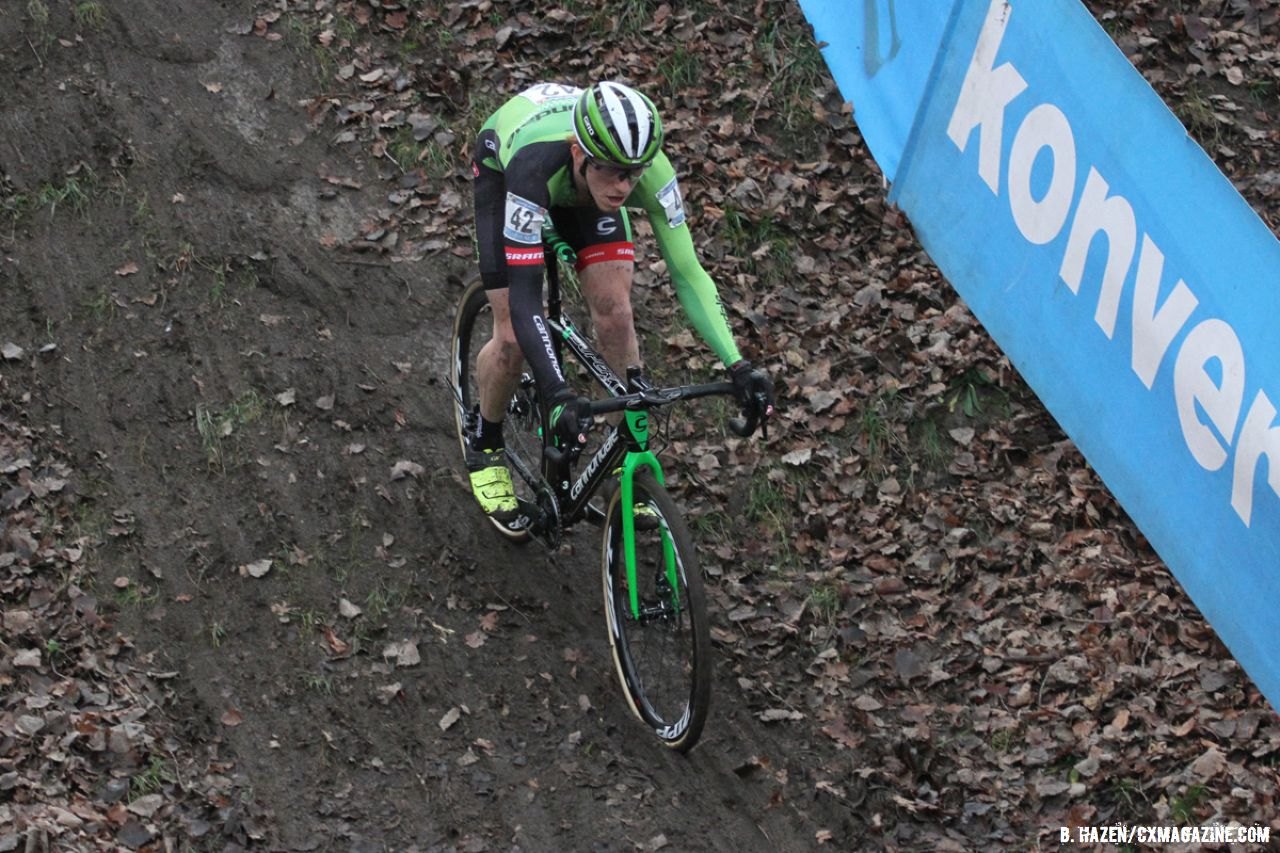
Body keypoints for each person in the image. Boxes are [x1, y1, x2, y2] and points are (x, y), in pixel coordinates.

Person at [467, 80, 775, 519]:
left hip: (577, 179)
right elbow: (523, 297)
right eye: (613, 171)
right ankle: (487, 440)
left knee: (616, 313)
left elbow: (689, 274)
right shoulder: (534, 169)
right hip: (509, 166)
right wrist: (557, 393)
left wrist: (738, 364)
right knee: (514, 336)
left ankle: (622, 459)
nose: (624, 187)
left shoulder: (646, 171)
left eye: (633, 174)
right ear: (579, 152)